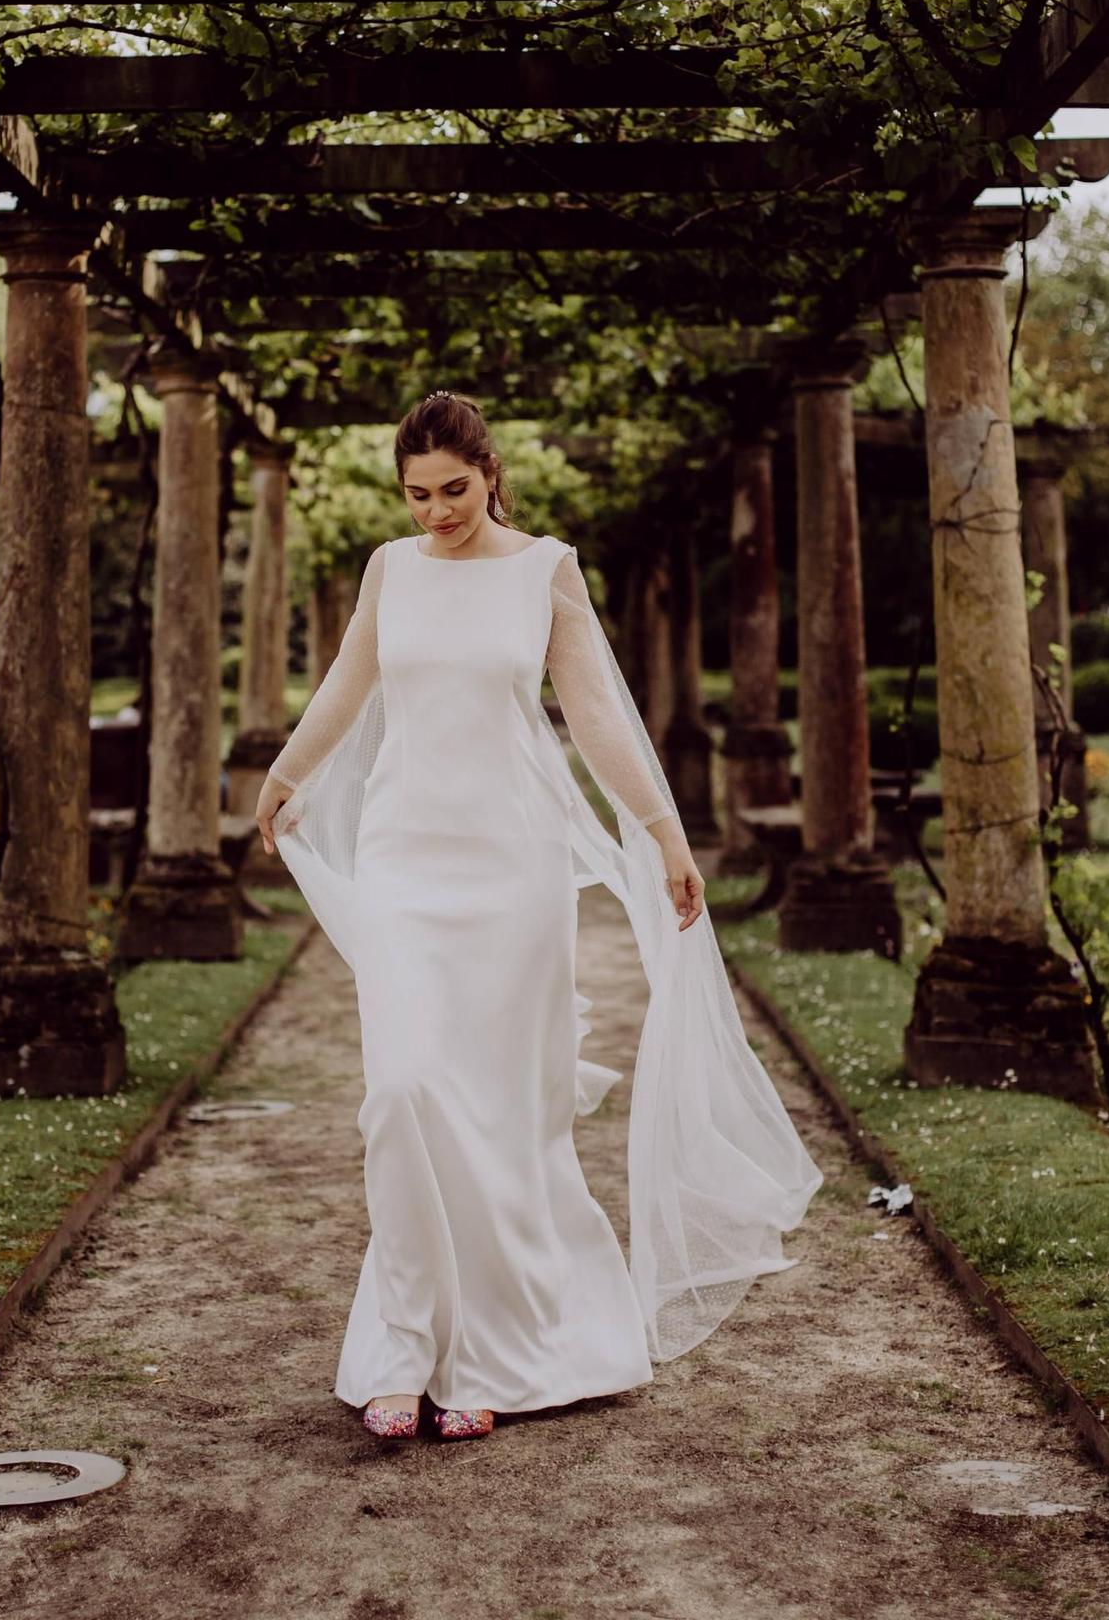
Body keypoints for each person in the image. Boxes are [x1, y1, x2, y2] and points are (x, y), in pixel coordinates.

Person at [255, 391, 822, 1443]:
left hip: (513, 865)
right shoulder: (390, 568)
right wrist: (288, 772)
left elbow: (595, 710)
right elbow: (346, 681)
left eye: (454, 490)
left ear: (490, 469)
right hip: (405, 860)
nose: (435, 512)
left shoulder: (543, 567)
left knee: (503, 1113)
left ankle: (496, 1350)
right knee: (403, 1090)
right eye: (416, 494)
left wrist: (662, 830)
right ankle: (402, 1342)